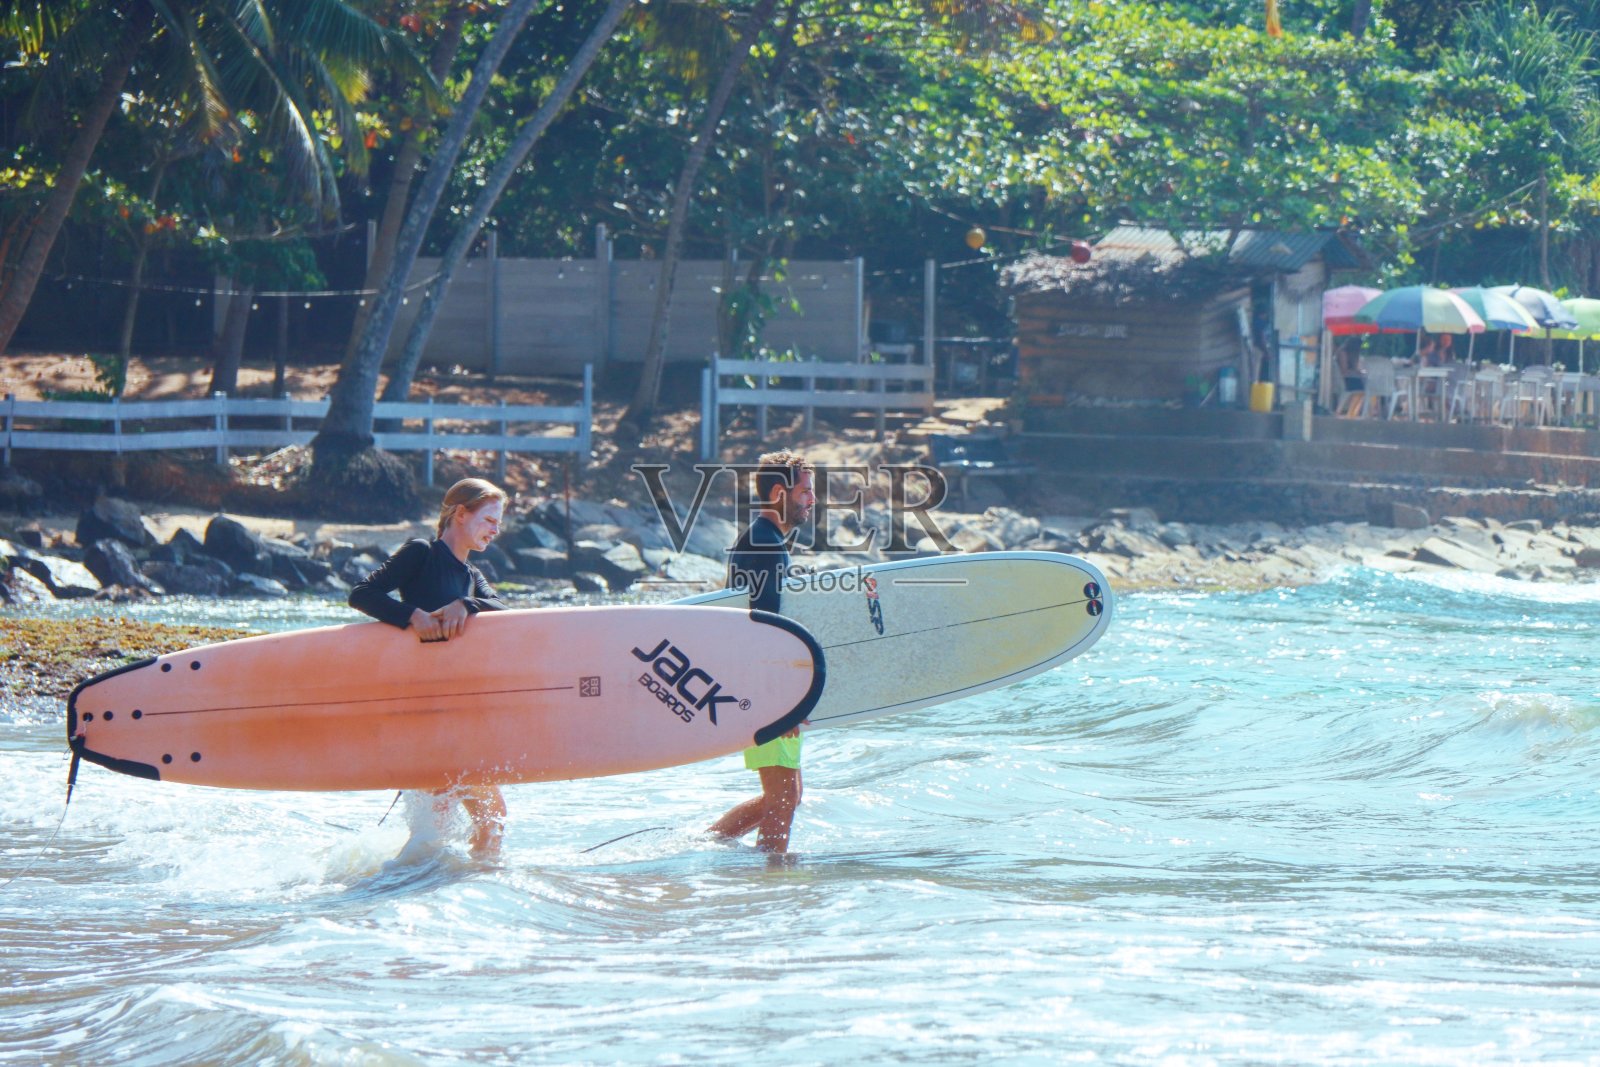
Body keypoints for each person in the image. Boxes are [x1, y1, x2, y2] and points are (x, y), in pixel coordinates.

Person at [349, 476, 509, 858]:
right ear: (460, 514)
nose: (496, 529)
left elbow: (504, 610)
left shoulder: (472, 579)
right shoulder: (421, 553)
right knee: (445, 820)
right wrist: (411, 616)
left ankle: (458, 888)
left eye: (498, 522)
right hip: (425, 708)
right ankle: (397, 891)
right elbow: (362, 594)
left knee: (490, 820)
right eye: (489, 519)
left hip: (458, 712)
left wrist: (465, 605)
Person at [706, 449, 816, 853]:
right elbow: (764, 629)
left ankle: (709, 846)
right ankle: (771, 877)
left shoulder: (765, 540)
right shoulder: (765, 545)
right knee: (784, 797)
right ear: (777, 492)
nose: (812, 499)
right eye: (805, 491)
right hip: (765, 687)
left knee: (787, 796)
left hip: (761, 683)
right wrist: (782, 701)